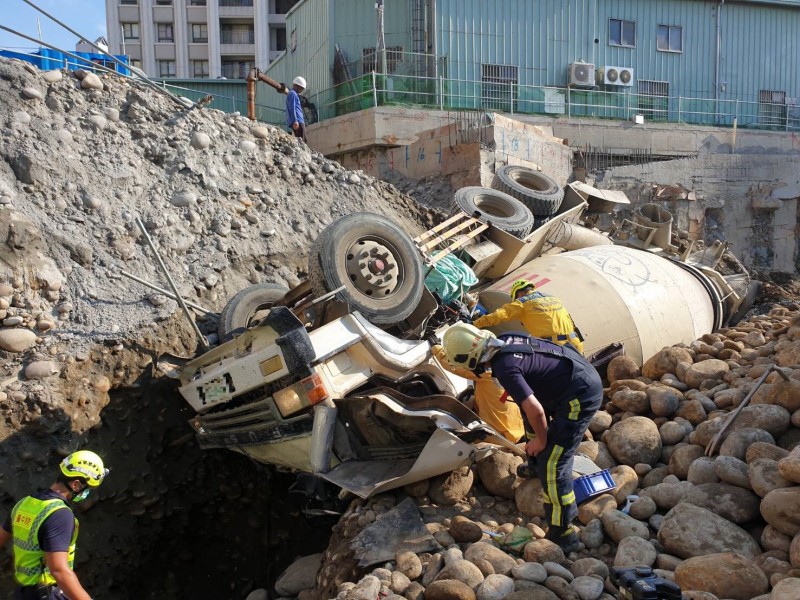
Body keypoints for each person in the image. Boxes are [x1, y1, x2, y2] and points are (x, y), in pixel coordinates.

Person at [441, 323, 602, 553]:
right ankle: (535, 466)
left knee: (554, 462)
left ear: (469, 359)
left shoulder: (504, 366)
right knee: (531, 425)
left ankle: (563, 531)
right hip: (565, 380)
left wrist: (543, 441)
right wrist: (536, 438)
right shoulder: (504, 340)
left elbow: (536, 410)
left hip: (580, 394)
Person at [0, 450, 109, 600]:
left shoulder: (23, 504)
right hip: (47, 595)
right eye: (88, 488)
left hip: (24, 593)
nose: (87, 493)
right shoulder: (60, 514)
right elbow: (59, 571)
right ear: (76, 484)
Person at [431, 343, 525, 443]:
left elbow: (455, 367)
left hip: (500, 435)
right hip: (517, 429)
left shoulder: (485, 371)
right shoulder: (509, 366)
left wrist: (437, 348)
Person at [472, 279, 585, 355]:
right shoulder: (553, 298)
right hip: (576, 343)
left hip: (557, 347)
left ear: (519, 294)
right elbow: (569, 319)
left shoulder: (523, 303)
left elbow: (498, 316)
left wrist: (474, 324)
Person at [286, 76, 307, 141]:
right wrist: (295, 120)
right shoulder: (293, 94)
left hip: (297, 120)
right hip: (298, 120)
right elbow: (292, 107)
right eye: (301, 88)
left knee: (302, 140)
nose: (302, 90)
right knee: (303, 140)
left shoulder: (292, 94)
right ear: (297, 86)